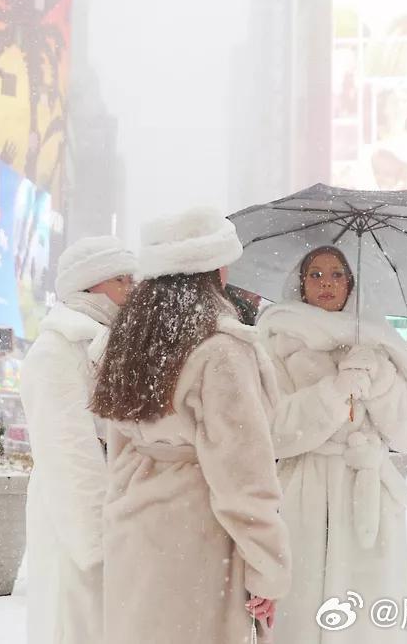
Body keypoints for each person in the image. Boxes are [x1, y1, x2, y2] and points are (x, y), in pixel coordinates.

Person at [93, 207, 290, 644]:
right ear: (214, 267)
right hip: (198, 538)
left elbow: (118, 446)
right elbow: (243, 474)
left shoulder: (127, 341)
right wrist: (266, 567)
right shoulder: (221, 349)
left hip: (135, 532)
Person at [256, 246, 407, 644]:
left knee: (369, 620)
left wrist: (379, 382)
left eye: (337, 274)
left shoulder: (377, 343)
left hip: (369, 498)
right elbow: (274, 430)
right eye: (316, 275)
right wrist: (335, 391)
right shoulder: (276, 341)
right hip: (305, 496)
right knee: (304, 615)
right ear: (301, 284)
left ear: (351, 283)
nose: (327, 284)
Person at [20, 235, 136, 644]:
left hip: (111, 506)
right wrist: (98, 543)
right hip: (75, 516)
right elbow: (68, 451)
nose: (132, 288)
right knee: (73, 621)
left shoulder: (108, 343)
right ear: (91, 285)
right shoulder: (57, 350)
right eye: (121, 279)